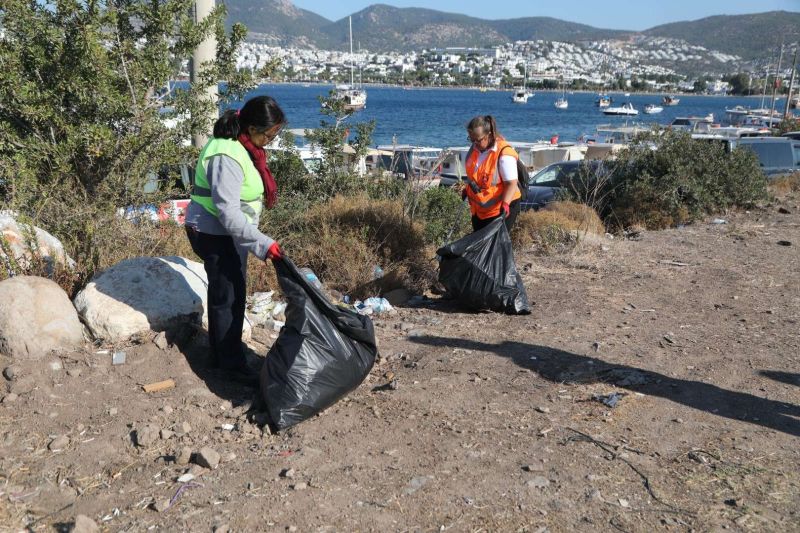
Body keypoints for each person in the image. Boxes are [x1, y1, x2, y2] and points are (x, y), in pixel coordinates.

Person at [184, 95, 286, 384]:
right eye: (268, 134)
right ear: (252, 127)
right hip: (214, 233)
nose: (270, 140)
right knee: (227, 296)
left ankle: (225, 354)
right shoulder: (225, 155)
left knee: (232, 293)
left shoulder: (244, 147)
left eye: (274, 135)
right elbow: (227, 212)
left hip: (230, 234)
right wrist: (263, 244)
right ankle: (228, 365)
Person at [463, 115, 522, 233]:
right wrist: (468, 189)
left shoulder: (504, 154)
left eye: (478, 140)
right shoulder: (475, 149)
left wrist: (505, 205)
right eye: (471, 139)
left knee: (496, 247)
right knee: (480, 245)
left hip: (501, 209)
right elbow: (474, 175)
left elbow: (511, 183)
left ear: (489, 135)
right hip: (480, 210)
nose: (474, 143)